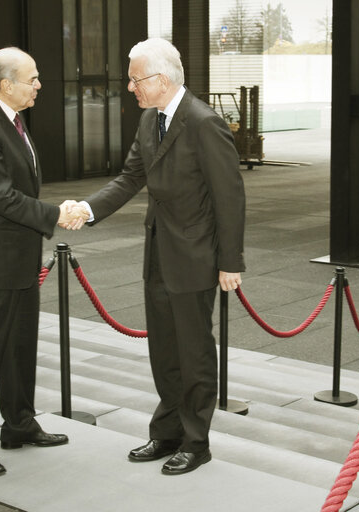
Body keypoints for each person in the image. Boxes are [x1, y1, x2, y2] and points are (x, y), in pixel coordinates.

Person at [71, 38, 246, 476]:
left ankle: (196, 441)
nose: (130, 87)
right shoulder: (151, 121)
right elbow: (130, 178)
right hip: (158, 255)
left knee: (194, 352)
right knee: (164, 351)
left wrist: (231, 261)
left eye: (135, 79)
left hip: (195, 258)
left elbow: (230, 198)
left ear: (161, 79)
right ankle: (167, 431)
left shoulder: (204, 123)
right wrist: (87, 209)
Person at [0, 47, 87, 476]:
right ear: (6, 85)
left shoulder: (6, 116)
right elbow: (0, 196)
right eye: (33, 78)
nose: (39, 85)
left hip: (17, 260)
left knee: (19, 349)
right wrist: (55, 214)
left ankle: (19, 425)